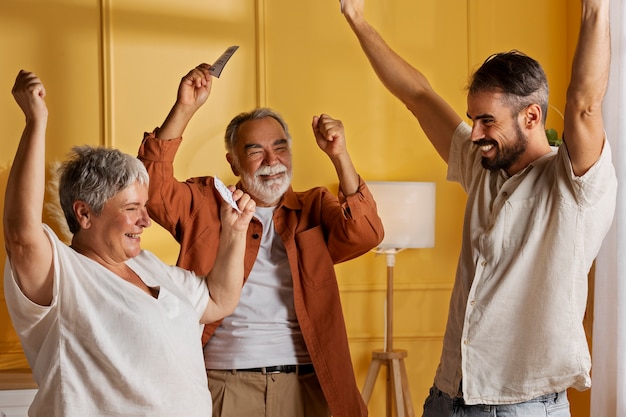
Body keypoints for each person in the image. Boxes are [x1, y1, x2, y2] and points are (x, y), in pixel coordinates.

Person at [337, 0, 616, 415]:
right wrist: (356, 19)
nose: (475, 134)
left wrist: (596, 8)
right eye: (473, 119)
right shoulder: (485, 165)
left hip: (522, 407)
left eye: (487, 121)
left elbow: (585, 104)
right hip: (448, 396)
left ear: (531, 116)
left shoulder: (572, 185)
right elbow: (416, 95)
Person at [3, 70, 256, 417]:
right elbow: (21, 236)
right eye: (131, 209)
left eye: (144, 207)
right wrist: (36, 121)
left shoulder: (148, 266)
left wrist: (236, 230)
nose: (146, 221)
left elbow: (218, 299)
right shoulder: (64, 274)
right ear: (85, 214)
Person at [137, 63, 384, 417]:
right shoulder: (207, 203)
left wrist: (339, 155)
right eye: (255, 151)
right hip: (224, 386)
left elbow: (366, 233)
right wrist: (185, 108)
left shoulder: (314, 207)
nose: (272, 160)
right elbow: (149, 187)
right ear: (234, 162)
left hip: (308, 387)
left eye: (280, 147)